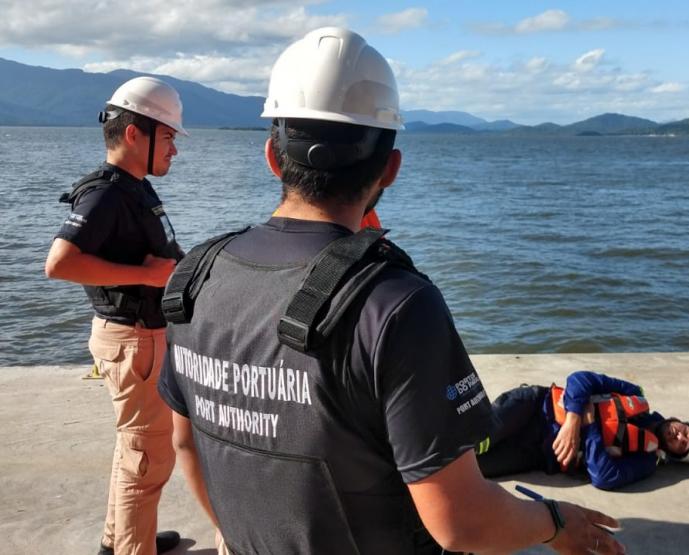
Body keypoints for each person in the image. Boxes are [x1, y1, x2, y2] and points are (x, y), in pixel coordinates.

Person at [157, 27, 625, 555]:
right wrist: (555, 521)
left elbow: (186, 444)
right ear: (390, 169)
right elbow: (463, 521)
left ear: (271, 156)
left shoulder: (194, 276)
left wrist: (237, 535)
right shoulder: (395, 306)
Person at [45, 76, 186, 555]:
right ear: (134, 134)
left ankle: (122, 540)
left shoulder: (133, 188)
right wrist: (146, 278)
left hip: (139, 338)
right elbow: (59, 263)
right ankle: (132, 547)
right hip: (134, 341)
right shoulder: (105, 193)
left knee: (136, 452)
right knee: (147, 459)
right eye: (167, 136)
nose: (174, 148)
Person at [477, 370, 689, 490]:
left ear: (673, 454)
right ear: (678, 420)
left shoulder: (645, 461)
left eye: (682, 444)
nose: (679, 436)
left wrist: (589, 427)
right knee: (474, 440)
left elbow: (605, 477)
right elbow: (580, 379)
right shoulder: (634, 394)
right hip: (534, 406)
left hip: (538, 454)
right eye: (685, 431)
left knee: (471, 467)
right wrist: (573, 420)